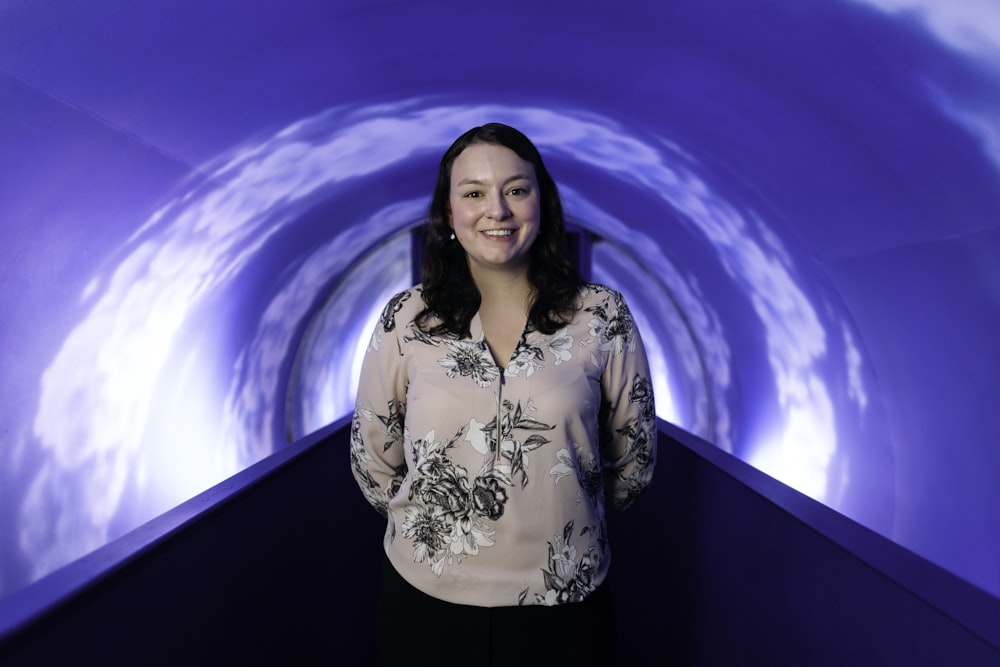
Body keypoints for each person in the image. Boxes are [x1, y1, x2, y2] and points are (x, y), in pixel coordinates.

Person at [350, 122, 657, 665]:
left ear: (543, 203)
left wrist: (559, 516)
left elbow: (633, 461)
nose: (498, 209)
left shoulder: (603, 316)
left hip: (565, 604)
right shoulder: (407, 318)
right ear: (448, 213)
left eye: (516, 189)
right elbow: (372, 457)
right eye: (473, 193)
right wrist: (436, 535)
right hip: (426, 603)